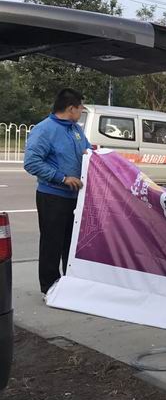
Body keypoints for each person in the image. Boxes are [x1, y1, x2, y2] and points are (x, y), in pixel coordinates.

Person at [23, 89, 92, 296]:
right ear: (71, 109)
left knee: (71, 243)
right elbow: (31, 162)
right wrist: (62, 178)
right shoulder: (44, 130)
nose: (81, 112)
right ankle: (50, 287)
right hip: (53, 196)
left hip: (75, 197)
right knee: (52, 243)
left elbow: (87, 149)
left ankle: (70, 283)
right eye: (80, 109)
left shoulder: (75, 129)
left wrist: (92, 154)